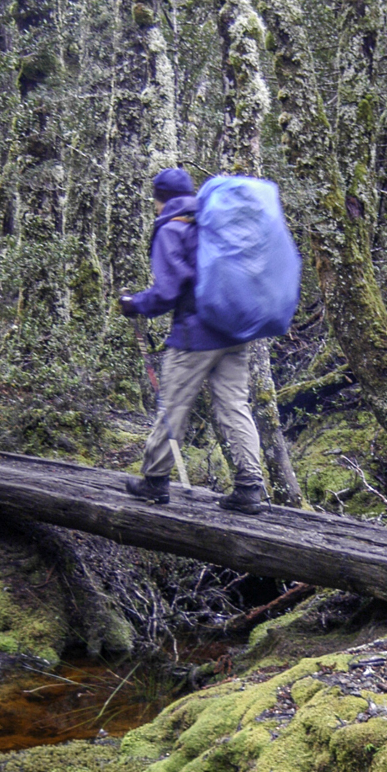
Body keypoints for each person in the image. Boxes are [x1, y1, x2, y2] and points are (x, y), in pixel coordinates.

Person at [119, 166, 266, 513]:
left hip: (195, 336)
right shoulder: (215, 223)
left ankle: (155, 481)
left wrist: (134, 304)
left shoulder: (172, 229)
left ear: (159, 199)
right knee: (235, 406)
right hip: (235, 331)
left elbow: (167, 291)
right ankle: (250, 487)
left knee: (173, 405)